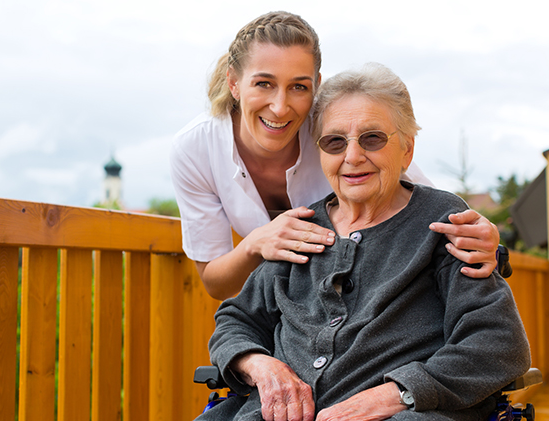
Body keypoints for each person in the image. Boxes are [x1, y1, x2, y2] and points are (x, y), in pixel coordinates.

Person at [195, 63, 530, 421]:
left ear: (406, 150)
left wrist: (400, 393)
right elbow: (236, 319)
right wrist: (258, 364)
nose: (352, 157)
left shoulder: (443, 224)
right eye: (335, 142)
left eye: (372, 138)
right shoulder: (299, 228)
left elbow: (497, 344)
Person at [170, 11, 501, 300]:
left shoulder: (336, 129)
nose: (280, 106)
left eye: (298, 87)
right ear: (234, 83)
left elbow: (418, 197)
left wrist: (485, 241)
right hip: (291, 312)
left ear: (316, 85)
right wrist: (256, 242)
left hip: (362, 303)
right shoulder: (196, 149)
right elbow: (215, 283)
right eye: (264, 84)